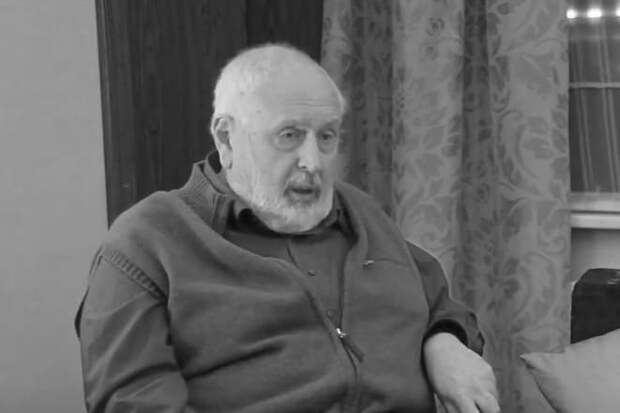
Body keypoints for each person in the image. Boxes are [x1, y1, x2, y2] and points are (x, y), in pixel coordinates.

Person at [76, 43, 499, 413]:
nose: (312, 162)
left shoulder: (361, 215)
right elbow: (133, 401)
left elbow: (439, 304)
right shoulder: (147, 243)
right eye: (289, 135)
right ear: (226, 138)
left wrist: (445, 342)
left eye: (326, 137)